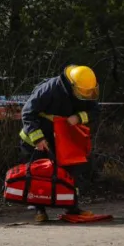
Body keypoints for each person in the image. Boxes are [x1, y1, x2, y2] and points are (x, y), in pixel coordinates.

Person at [19, 65, 100, 222]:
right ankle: (39, 210)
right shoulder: (49, 89)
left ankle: (72, 208)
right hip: (38, 138)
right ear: (72, 85)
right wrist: (38, 139)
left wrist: (79, 117)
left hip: (63, 139)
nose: (85, 96)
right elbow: (27, 113)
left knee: (71, 174)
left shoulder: (86, 90)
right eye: (82, 92)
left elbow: (96, 111)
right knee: (39, 175)